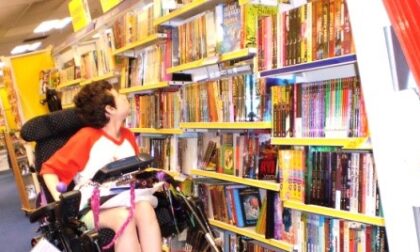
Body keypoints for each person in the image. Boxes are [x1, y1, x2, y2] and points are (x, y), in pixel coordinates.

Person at [40, 81, 162, 252]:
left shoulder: (128, 136)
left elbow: (134, 172)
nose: (124, 97)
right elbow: (49, 170)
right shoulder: (87, 137)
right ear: (109, 109)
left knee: (146, 209)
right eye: (119, 95)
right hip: (90, 208)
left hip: (124, 197)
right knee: (124, 217)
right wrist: (64, 205)